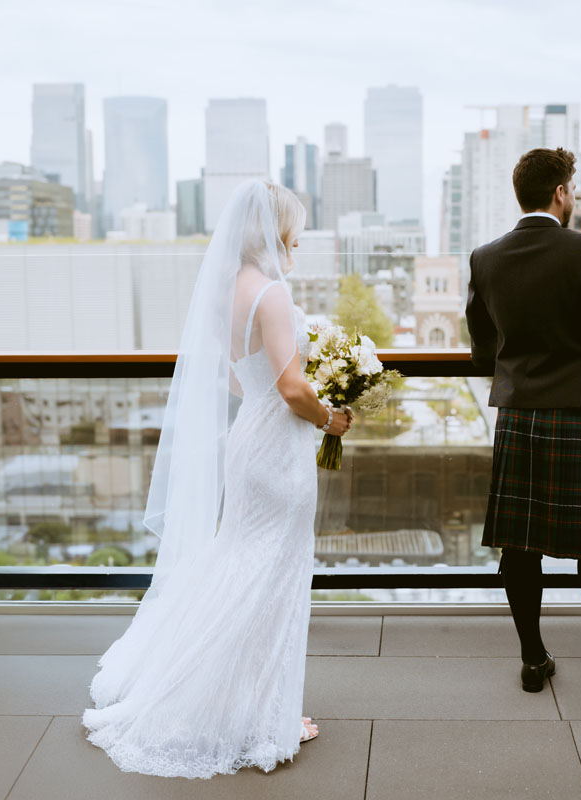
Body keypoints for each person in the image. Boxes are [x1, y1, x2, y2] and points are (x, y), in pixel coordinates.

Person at [82, 181, 352, 778]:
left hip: (250, 439)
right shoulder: (273, 294)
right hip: (278, 445)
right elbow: (290, 387)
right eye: (293, 231)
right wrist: (333, 418)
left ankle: (248, 704)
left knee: (241, 561)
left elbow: (238, 377)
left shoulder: (226, 291)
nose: (298, 241)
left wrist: (276, 396)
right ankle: (262, 717)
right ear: (271, 231)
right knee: (270, 575)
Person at [465, 147, 581, 692]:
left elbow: (482, 349)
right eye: (571, 189)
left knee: (519, 546)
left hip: (520, 416)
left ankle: (533, 659)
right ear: (560, 194)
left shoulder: (486, 257)